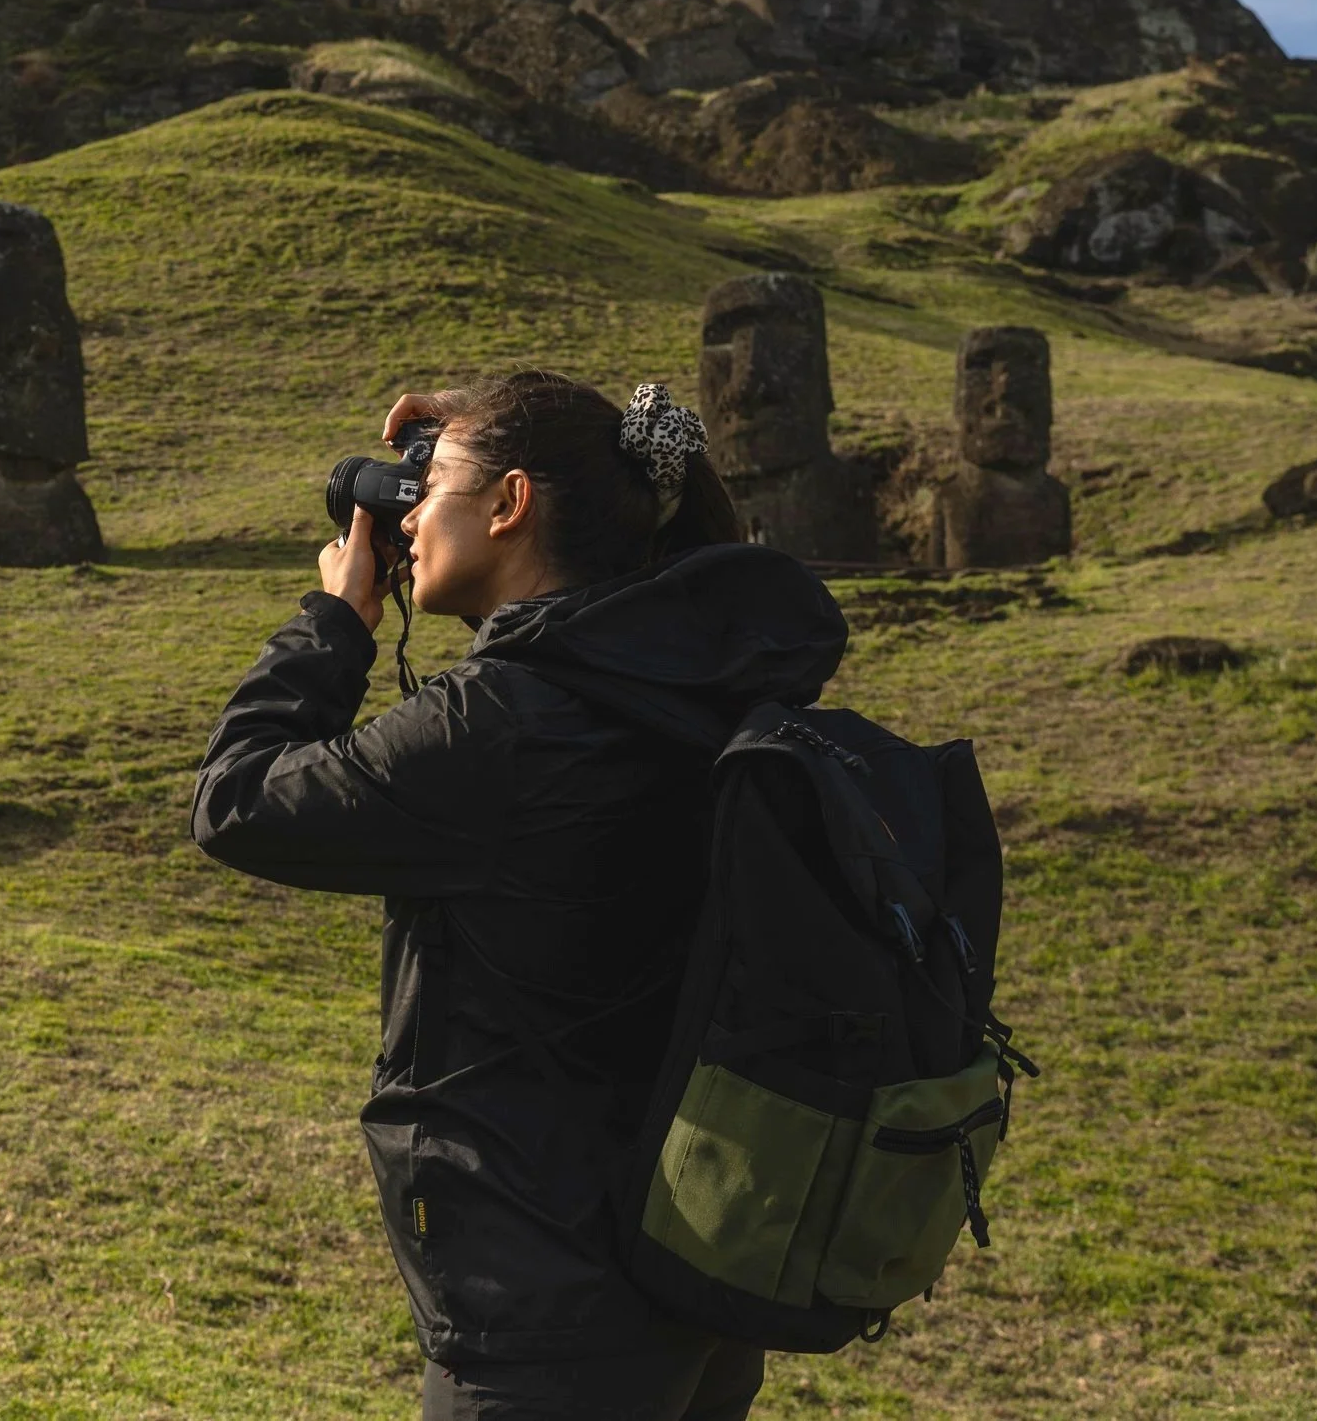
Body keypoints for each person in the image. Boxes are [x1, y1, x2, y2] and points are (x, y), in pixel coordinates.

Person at [190, 371, 853, 1420]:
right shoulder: (698, 675)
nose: (407, 515)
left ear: (509, 505)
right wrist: (484, 414)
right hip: (693, 1272)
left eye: (433, 485)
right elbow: (606, 464)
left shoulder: (501, 727)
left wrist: (335, 620)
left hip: (541, 1312)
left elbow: (236, 801)